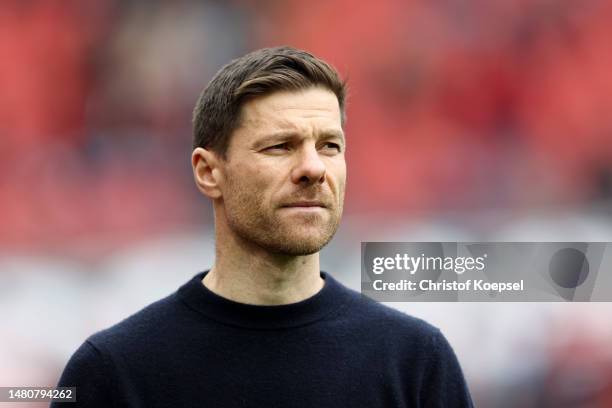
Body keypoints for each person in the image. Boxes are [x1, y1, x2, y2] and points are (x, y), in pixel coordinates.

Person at [52, 46, 473, 407]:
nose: (312, 167)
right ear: (208, 172)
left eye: (330, 146)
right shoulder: (114, 373)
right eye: (280, 146)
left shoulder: (415, 362)